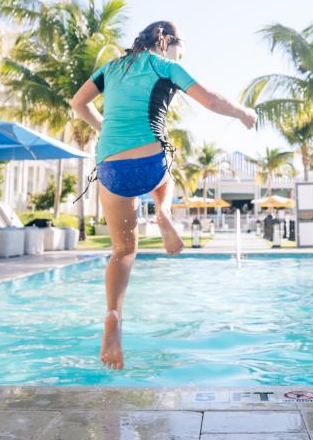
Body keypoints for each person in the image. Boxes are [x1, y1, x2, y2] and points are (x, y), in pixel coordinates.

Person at [70, 20, 256, 370]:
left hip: (109, 167)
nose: (181, 55)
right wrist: (242, 113)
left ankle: (113, 315)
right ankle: (164, 210)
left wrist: (104, 128)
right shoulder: (164, 65)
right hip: (149, 160)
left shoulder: (111, 68)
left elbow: (78, 103)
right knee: (168, 161)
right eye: (180, 49)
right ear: (166, 41)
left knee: (123, 249)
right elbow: (212, 101)